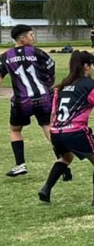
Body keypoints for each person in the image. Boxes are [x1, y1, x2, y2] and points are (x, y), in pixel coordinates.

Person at [37, 51, 94, 207]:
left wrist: (55, 132)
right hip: (75, 131)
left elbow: (53, 113)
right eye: (93, 66)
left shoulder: (62, 86)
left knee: (66, 158)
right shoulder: (90, 85)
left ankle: (46, 189)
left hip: (56, 131)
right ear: (86, 66)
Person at [0, 25, 71, 180]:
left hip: (21, 101)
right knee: (48, 128)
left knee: (15, 130)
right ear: (22, 39)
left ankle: (20, 164)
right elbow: (51, 68)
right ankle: (63, 163)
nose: (34, 38)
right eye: (31, 35)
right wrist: (48, 84)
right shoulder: (37, 52)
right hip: (43, 98)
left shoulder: (5, 56)